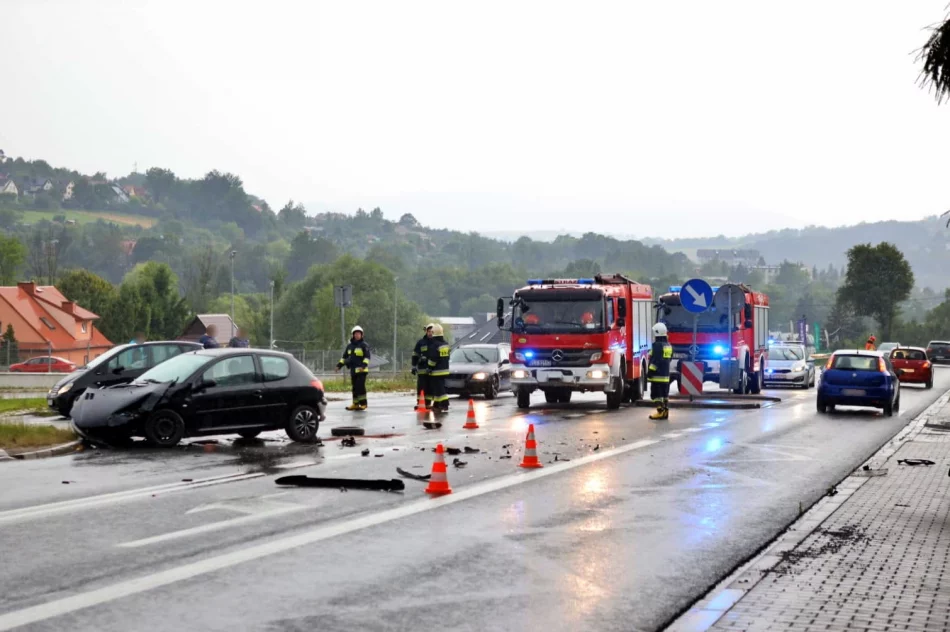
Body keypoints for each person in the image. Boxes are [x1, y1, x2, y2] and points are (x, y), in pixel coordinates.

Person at [337, 325, 371, 411]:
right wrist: (339, 365)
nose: (357, 335)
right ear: (353, 335)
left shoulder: (364, 345)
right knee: (355, 388)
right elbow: (344, 357)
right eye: (355, 334)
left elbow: (367, 357)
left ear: (362, 335)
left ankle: (363, 404)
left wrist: (363, 366)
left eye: (359, 334)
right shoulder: (349, 346)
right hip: (353, 371)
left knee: (360, 387)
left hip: (362, 371)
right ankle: (355, 404)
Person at [647, 322, 673, 421]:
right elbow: (669, 359)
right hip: (666, 376)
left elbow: (655, 360)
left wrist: (650, 371)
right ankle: (665, 411)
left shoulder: (657, 345)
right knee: (664, 395)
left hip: (657, 376)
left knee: (656, 395)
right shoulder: (668, 345)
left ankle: (660, 411)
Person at [426, 323, 451, 413]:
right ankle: (436, 405)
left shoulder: (434, 345)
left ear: (434, 333)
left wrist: (429, 368)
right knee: (439, 388)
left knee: (439, 389)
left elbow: (433, 359)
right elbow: (448, 357)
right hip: (445, 370)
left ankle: (445, 404)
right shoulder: (446, 344)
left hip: (436, 371)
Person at [411, 324, 434, 410]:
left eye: (432, 332)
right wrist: (413, 366)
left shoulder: (435, 342)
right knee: (421, 387)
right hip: (421, 370)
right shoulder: (421, 342)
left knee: (430, 388)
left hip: (431, 371)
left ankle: (428, 403)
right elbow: (415, 354)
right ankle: (420, 402)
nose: (430, 333)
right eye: (428, 331)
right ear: (426, 332)